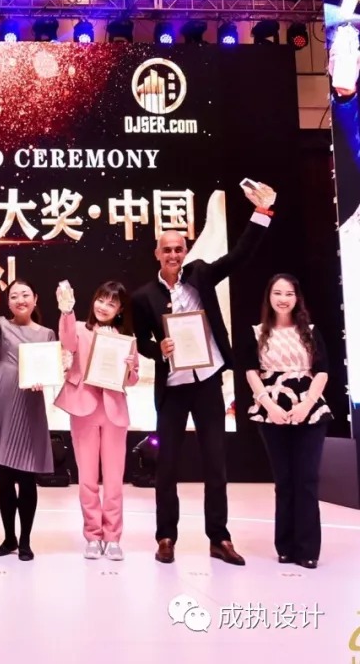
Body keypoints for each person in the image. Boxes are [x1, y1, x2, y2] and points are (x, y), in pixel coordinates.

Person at [131, 182, 276, 566]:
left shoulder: (201, 275)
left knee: (215, 463)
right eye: (167, 249)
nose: (173, 255)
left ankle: (219, 538)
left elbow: (239, 256)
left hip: (208, 382)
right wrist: (158, 350)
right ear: (156, 254)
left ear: (185, 251)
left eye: (179, 249)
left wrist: (262, 213)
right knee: (167, 467)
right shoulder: (143, 296)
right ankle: (166, 536)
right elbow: (141, 341)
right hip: (173, 388)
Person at [242, 275, 332, 569]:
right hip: (271, 409)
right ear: (269, 297)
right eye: (278, 293)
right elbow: (251, 371)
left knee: (306, 479)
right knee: (284, 481)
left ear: (297, 298)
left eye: (289, 293)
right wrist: (269, 405)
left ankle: (308, 549)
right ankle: (285, 546)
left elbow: (322, 371)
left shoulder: (310, 332)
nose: (283, 299)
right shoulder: (257, 333)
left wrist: (306, 404)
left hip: (310, 409)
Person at [54, 281, 139, 562]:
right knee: (87, 479)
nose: (103, 307)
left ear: (120, 309)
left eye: (111, 303)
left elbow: (133, 379)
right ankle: (93, 535)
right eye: (100, 300)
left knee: (114, 480)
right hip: (84, 409)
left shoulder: (126, 339)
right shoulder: (80, 328)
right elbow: (67, 342)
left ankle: (113, 537)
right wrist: (67, 311)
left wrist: (130, 368)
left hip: (114, 412)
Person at [0, 273, 56, 562]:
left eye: (25, 294)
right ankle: (9, 537)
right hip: (2, 400)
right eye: (14, 296)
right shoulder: (1, 326)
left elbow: (50, 368)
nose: (20, 300)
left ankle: (25, 541)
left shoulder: (46, 334)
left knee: (27, 476)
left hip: (29, 404)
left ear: (35, 299)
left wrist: (44, 379)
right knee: (5, 477)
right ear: (8, 303)